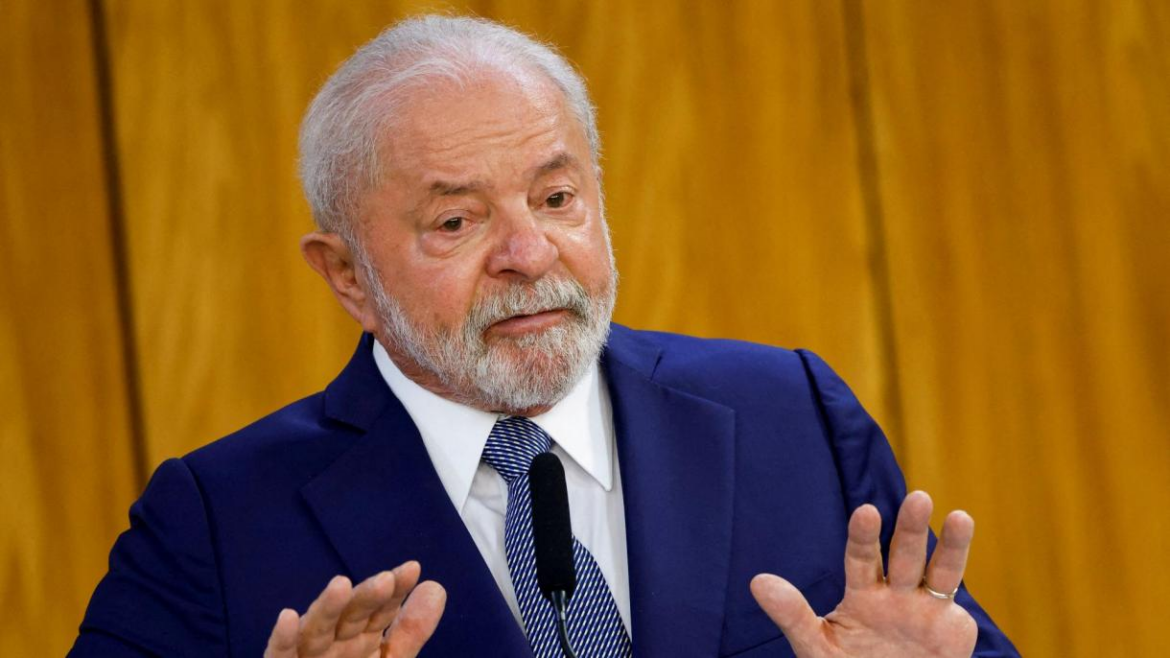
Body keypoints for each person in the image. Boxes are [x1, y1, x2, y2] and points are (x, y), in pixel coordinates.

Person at [70, 15, 1018, 658]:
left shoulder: (790, 413)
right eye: (456, 222)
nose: (528, 253)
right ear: (347, 274)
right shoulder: (216, 522)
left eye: (557, 198)